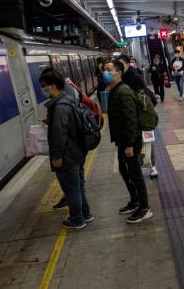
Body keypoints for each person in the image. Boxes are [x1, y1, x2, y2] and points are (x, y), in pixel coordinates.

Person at [39, 70, 92, 229]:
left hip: (68, 154)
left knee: (71, 188)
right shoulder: (67, 100)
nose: (43, 90)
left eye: (44, 87)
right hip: (77, 150)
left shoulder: (59, 106)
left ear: (53, 86)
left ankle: (77, 219)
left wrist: (56, 155)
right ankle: (85, 214)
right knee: (78, 185)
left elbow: (59, 133)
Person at [104, 60, 153, 223]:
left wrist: (130, 145)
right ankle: (135, 201)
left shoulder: (123, 92)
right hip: (123, 140)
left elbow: (131, 120)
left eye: (109, 70)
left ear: (118, 72)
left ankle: (144, 208)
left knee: (135, 174)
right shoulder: (114, 90)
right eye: (104, 69)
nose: (106, 72)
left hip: (130, 141)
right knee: (125, 172)